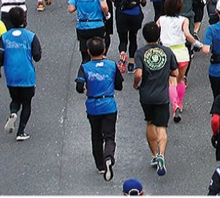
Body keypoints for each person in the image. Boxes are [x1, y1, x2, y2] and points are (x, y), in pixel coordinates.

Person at [76, 36, 123, 181]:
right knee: (109, 135)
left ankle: (100, 165)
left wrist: (85, 87)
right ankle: (109, 156)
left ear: (88, 51)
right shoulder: (111, 65)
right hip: (109, 104)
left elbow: (79, 87)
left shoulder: (84, 67)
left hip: (93, 106)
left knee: (96, 136)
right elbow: (119, 85)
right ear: (104, 50)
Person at [133, 21, 178, 177]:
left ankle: (153, 155)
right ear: (159, 35)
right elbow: (176, 73)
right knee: (162, 127)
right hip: (162, 95)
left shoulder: (140, 53)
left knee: (150, 122)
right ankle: (162, 154)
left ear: (144, 37)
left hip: (146, 94)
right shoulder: (167, 52)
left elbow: (138, 73)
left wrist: (136, 84)